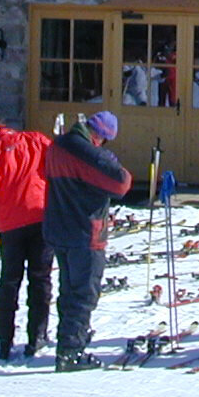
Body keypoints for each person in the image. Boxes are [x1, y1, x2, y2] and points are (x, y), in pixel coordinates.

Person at [43, 111, 133, 370]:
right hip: (84, 231)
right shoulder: (84, 151)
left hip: (59, 228)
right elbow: (121, 183)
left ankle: (70, 339)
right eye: (104, 141)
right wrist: (106, 160)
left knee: (68, 290)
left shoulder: (58, 145)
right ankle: (71, 351)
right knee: (84, 293)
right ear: (98, 135)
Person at [0, 118, 55, 361]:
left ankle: (4, 339)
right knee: (40, 279)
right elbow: (57, 167)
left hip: (9, 223)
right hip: (40, 217)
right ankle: (37, 336)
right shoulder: (37, 140)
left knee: (9, 280)